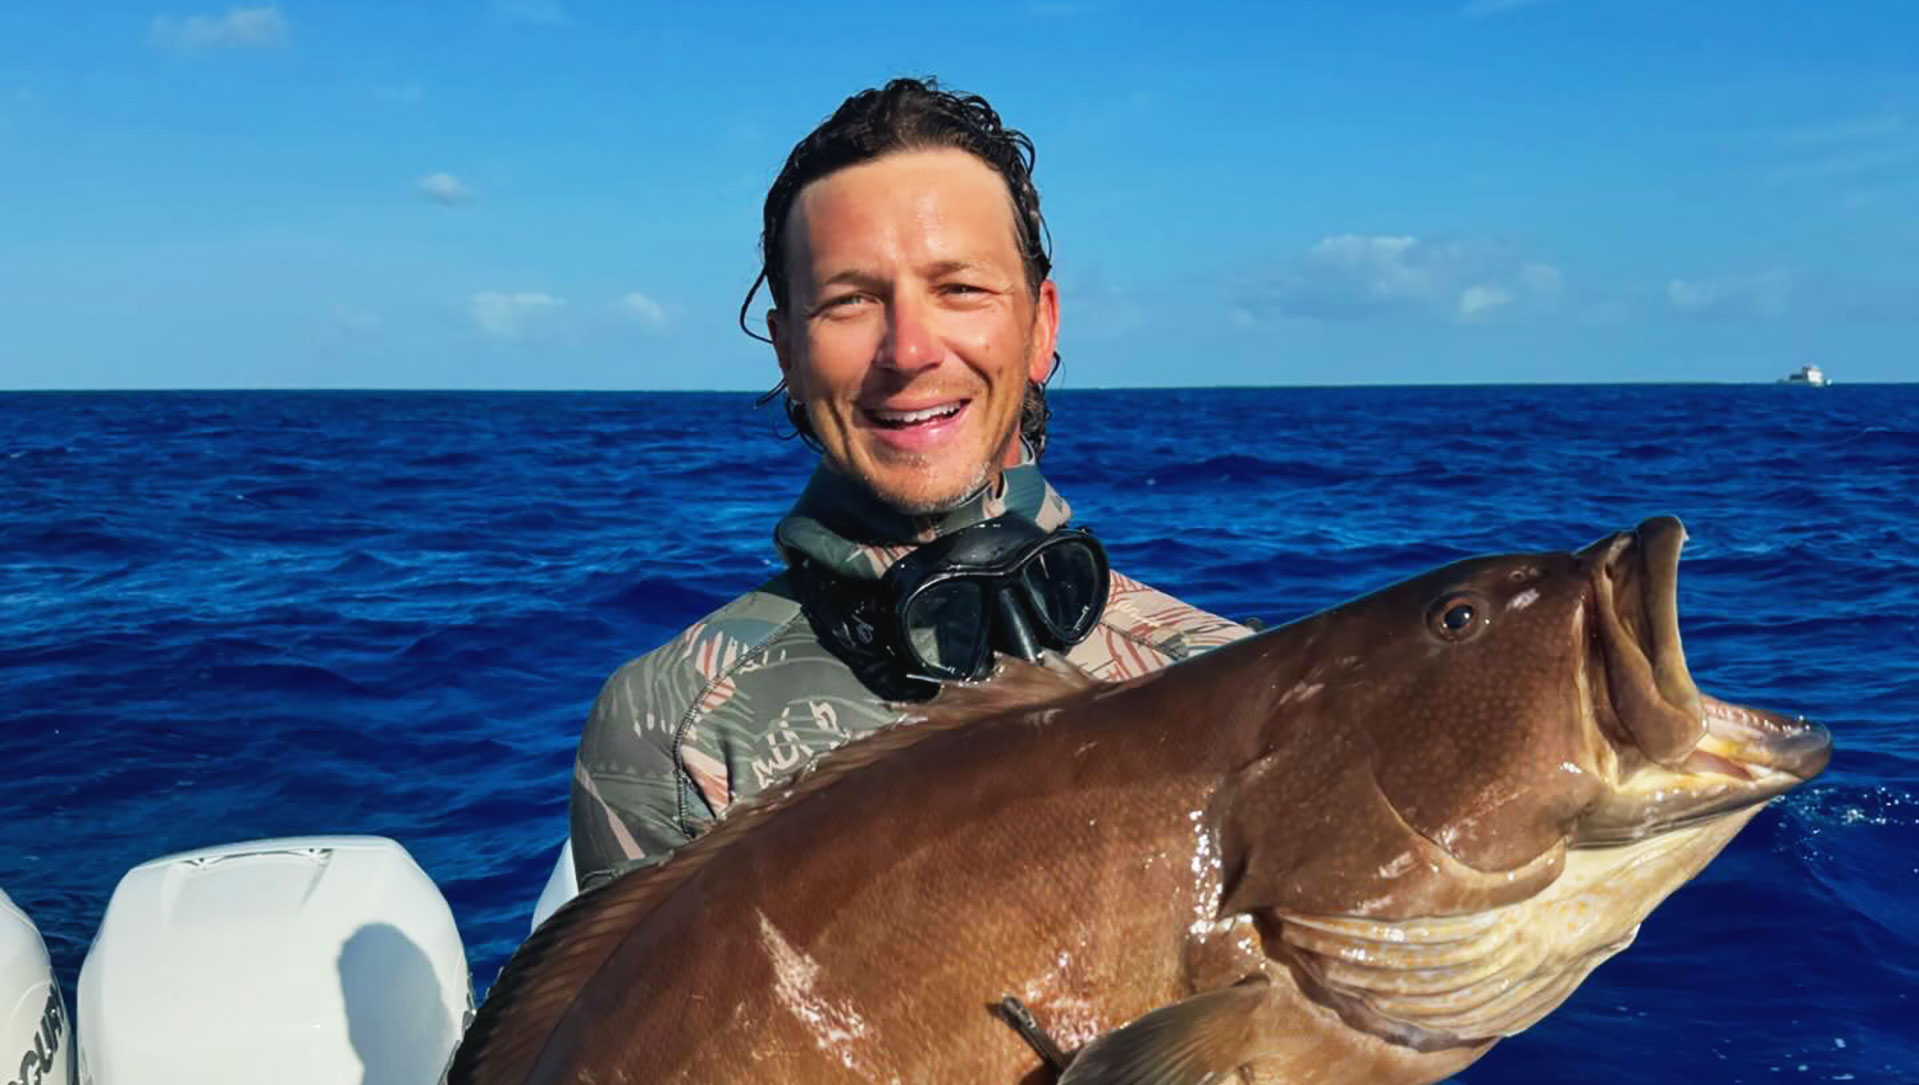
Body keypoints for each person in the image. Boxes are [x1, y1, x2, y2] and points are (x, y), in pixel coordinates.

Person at [569, 77, 1250, 890]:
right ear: (787, 351)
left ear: (1040, 325)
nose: (909, 351)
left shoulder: (1228, 681)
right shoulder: (668, 727)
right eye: (849, 300)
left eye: (959, 289)